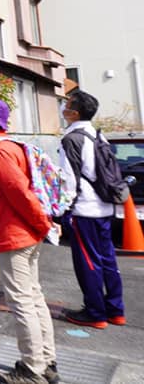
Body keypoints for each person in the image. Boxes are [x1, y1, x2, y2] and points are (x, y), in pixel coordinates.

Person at [0, 98, 57, 384]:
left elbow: (18, 192)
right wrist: (41, 226)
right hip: (25, 234)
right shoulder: (9, 147)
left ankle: (33, 369)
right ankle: (46, 362)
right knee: (33, 297)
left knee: (22, 301)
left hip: (14, 235)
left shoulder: (0, 151)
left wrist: (42, 223)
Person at [59, 90, 125, 330]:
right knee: (108, 259)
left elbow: (68, 179)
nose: (63, 108)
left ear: (74, 113)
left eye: (66, 105)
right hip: (106, 207)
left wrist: (63, 209)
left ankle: (95, 313)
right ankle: (115, 310)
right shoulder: (98, 135)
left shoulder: (71, 139)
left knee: (88, 262)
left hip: (84, 210)